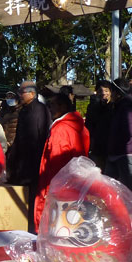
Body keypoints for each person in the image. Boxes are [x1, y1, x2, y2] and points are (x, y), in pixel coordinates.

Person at [34, 93, 90, 228]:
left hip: (57, 184)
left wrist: (51, 188)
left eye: (52, 105)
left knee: (54, 223)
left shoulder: (60, 129)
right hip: (76, 182)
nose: (50, 109)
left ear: (63, 106)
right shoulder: (81, 127)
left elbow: (56, 161)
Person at [6, 80, 51, 230]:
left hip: (34, 161)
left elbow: (40, 137)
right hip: (22, 162)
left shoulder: (40, 110)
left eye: (22, 93)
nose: (19, 95)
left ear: (32, 93)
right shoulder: (24, 110)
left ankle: (32, 228)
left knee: (32, 199)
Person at [106, 80, 132, 199]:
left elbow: (130, 131)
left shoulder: (128, 106)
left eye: (111, 91)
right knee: (108, 184)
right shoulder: (118, 106)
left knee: (128, 188)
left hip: (126, 153)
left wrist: (116, 143)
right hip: (116, 153)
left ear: (117, 92)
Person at [86, 80, 115, 169]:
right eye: (100, 91)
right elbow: (89, 125)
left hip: (112, 148)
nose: (103, 93)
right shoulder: (92, 106)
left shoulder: (115, 106)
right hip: (97, 147)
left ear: (111, 92)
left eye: (106, 91)